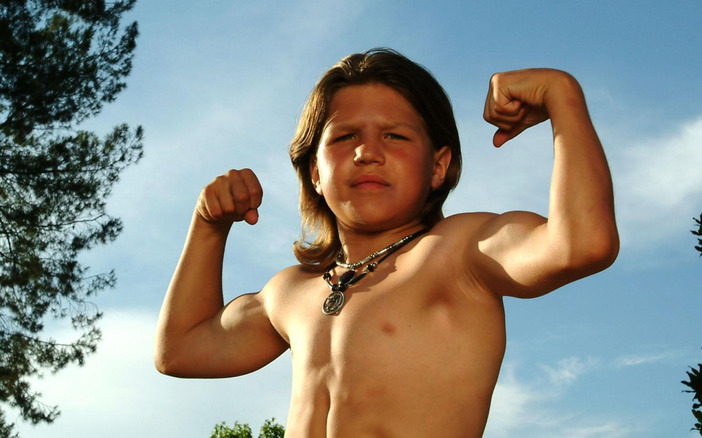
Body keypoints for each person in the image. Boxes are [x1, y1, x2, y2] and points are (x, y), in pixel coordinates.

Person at [155, 48, 619, 437]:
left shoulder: (458, 252)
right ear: (315, 172)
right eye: (345, 136)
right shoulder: (291, 291)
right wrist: (208, 226)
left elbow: (582, 243)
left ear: (438, 166)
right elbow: (180, 350)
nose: (367, 152)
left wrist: (563, 96)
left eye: (395, 135)